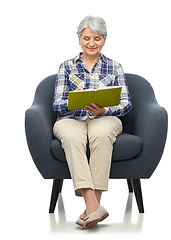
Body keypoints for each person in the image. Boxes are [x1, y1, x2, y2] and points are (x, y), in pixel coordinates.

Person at [53, 16, 132, 229]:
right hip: (72, 118)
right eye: (86, 38)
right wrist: (73, 99)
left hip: (104, 117)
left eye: (97, 38)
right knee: (71, 137)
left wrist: (105, 109)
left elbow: (126, 104)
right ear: (79, 39)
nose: (91, 43)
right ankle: (93, 205)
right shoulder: (66, 67)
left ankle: (91, 210)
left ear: (104, 40)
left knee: (102, 134)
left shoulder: (115, 66)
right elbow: (57, 105)